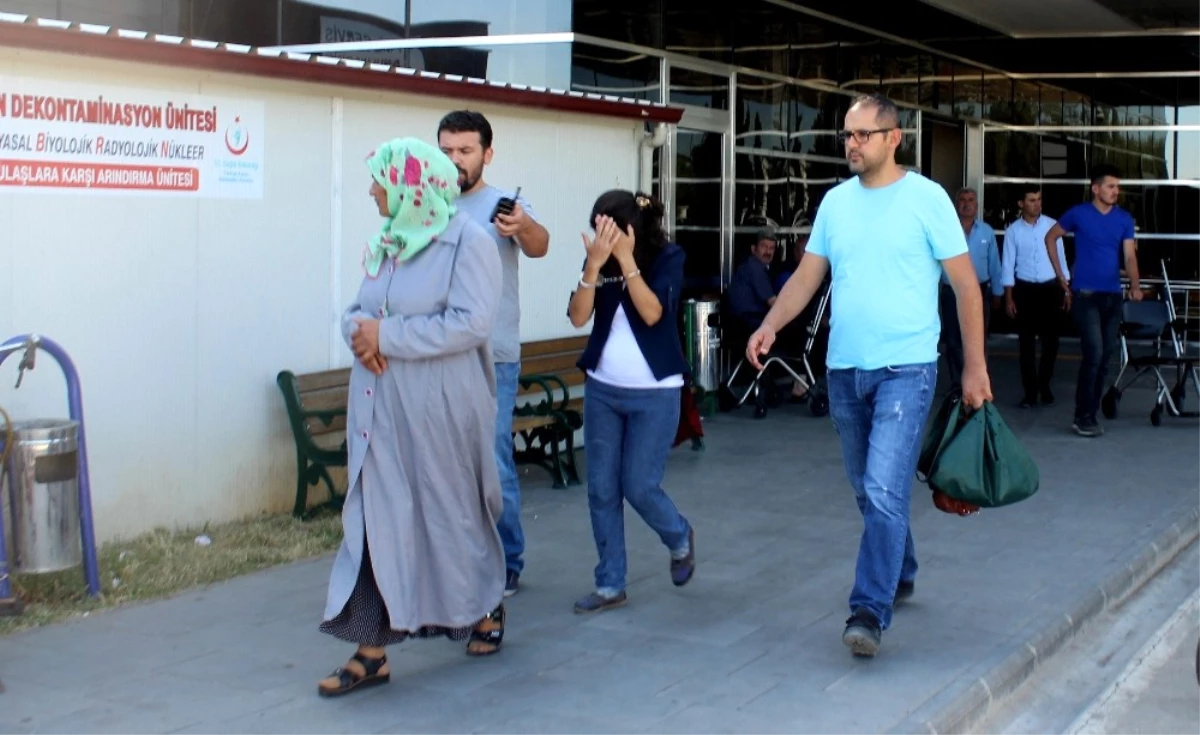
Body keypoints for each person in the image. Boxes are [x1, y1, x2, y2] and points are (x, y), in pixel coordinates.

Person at [745, 93, 992, 658]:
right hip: (845, 372)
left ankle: (868, 609)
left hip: (908, 370)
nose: (851, 144)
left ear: (893, 138)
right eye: (847, 136)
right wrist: (769, 325)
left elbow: (965, 288)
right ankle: (900, 566)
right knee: (868, 491)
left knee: (883, 488)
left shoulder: (927, 200)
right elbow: (807, 278)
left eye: (862, 135)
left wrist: (975, 366)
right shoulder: (835, 204)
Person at [317, 137, 507, 698]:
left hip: (439, 412)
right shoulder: (389, 242)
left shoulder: (466, 243)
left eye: (379, 179)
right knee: (377, 522)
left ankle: (483, 606)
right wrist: (361, 335)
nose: (372, 189)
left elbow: (472, 324)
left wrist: (388, 337)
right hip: (381, 410)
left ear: (410, 185)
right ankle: (371, 651)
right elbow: (359, 308)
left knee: (452, 516)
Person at [567, 190, 696, 614]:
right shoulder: (598, 261)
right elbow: (578, 316)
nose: (599, 237)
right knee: (602, 488)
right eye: (595, 228)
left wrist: (626, 262)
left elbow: (653, 313)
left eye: (607, 229)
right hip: (603, 389)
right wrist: (592, 267)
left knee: (639, 484)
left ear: (629, 228)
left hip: (655, 392)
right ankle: (610, 584)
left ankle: (678, 535)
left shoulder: (667, 256)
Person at [438, 110, 550, 597]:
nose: (455, 160)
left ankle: (509, 560)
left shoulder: (506, 204)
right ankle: (456, 556)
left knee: (493, 460)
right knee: (444, 462)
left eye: (464, 151)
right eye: (446, 151)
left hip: (493, 356)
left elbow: (540, 245)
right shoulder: (427, 204)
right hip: (438, 352)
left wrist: (522, 226)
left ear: (487, 153)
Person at [1043, 164, 1143, 437]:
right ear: (1096, 188)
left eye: (1117, 187)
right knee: (1094, 354)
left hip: (1112, 296)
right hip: (1085, 297)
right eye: (1111, 186)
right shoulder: (1079, 213)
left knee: (1106, 357)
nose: (1116, 191)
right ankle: (1082, 416)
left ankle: (1091, 412)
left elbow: (1130, 256)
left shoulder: (1124, 219)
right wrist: (1060, 275)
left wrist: (1135, 285)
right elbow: (1050, 237)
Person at [1001, 185, 1070, 408]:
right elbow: (1008, 264)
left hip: (1050, 289)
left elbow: (1061, 258)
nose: (1037, 204)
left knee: (1051, 343)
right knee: (1026, 345)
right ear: (1021, 204)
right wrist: (1009, 297)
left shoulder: (1052, 226)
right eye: (1031, 200)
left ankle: (1045, 385)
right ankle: (1030, 392)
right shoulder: (1013, 231)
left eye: (1039, 199)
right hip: (1025, 290)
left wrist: (1066, 289)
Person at [939, 187, 1003, 390]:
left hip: (980, 291)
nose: (966, 204)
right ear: (956, 205)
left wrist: (998, 292)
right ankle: (958, 383)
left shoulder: (987, 232)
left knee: (977, 338)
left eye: (971, 200)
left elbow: (995, 264)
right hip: (952, 292)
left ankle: (978, 382)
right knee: (953, 340)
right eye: (962, 200)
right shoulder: (946, 230)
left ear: (976, 205)